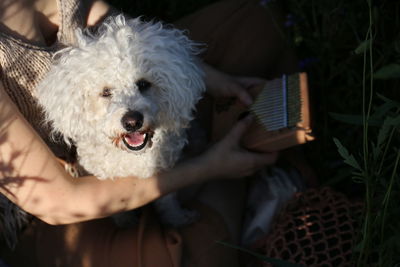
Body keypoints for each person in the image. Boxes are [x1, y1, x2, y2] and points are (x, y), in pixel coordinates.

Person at [0, 0, 297, 266]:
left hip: (146, 120)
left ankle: (238, 162)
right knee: (195, 256)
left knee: (254, 20)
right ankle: (241, 170)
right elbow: (61, 203)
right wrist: (209, 167)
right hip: (58, 201)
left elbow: (130, 39)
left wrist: (214, 80)